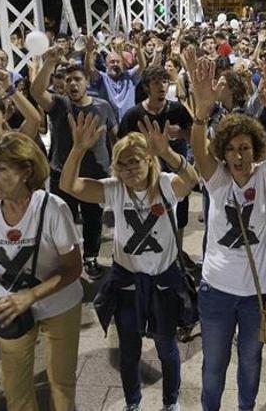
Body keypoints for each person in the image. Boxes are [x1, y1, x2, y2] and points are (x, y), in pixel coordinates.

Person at [62, 114, 199, 411]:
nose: (128, 170)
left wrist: (167, 152)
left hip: (163, 278)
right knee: (129, 349)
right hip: (127, 280)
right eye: (121, 164)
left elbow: (191, 179)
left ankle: (171, 402)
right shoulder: (114, 188)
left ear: (149, 160)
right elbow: (69, 185)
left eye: (135, 161)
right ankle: (133, 402)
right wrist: (78, 148)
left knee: (166, 347)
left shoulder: (164, 184)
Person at [187, 54, 266, 411]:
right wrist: (201, 113)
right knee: (213, 366)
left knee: (250, 363)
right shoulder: (216, 180)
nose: (238, 155)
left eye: (245, 148)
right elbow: (199, 152)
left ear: (255, 149)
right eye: (231, 148)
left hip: (258, 296)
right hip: (216, 292)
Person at [0, 132, 83, 411]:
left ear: (26, 172)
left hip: (59, 305)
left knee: (61, 382)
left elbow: (73, 268)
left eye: (1, 169)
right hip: (9, 309)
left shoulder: (52, 208)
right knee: (15, 388)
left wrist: (30, 296)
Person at [31, 46, 118, 279]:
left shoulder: (102, 106)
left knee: (93, 219)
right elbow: (37, 91)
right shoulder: (59, 105)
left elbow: (114, 136)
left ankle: (90, 258)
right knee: (62, 219)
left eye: (77, 79)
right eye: (68, 80)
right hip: (62, 173)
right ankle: (67, 261)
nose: (72, 84)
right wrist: (48, 63)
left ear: (86, 80)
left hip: (95, 173)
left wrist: (116, 164)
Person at [118, 66, 194, 245]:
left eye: (165, 81)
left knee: (180, 215)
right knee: (150, 216)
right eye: (156, 82)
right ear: (146, 87)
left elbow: (194, 138)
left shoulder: (178, 110)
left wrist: (181, 133)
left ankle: (178, 252)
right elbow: (121, 147)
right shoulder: (134, 115)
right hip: (147, 177)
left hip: (177, 174)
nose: (161, 86)